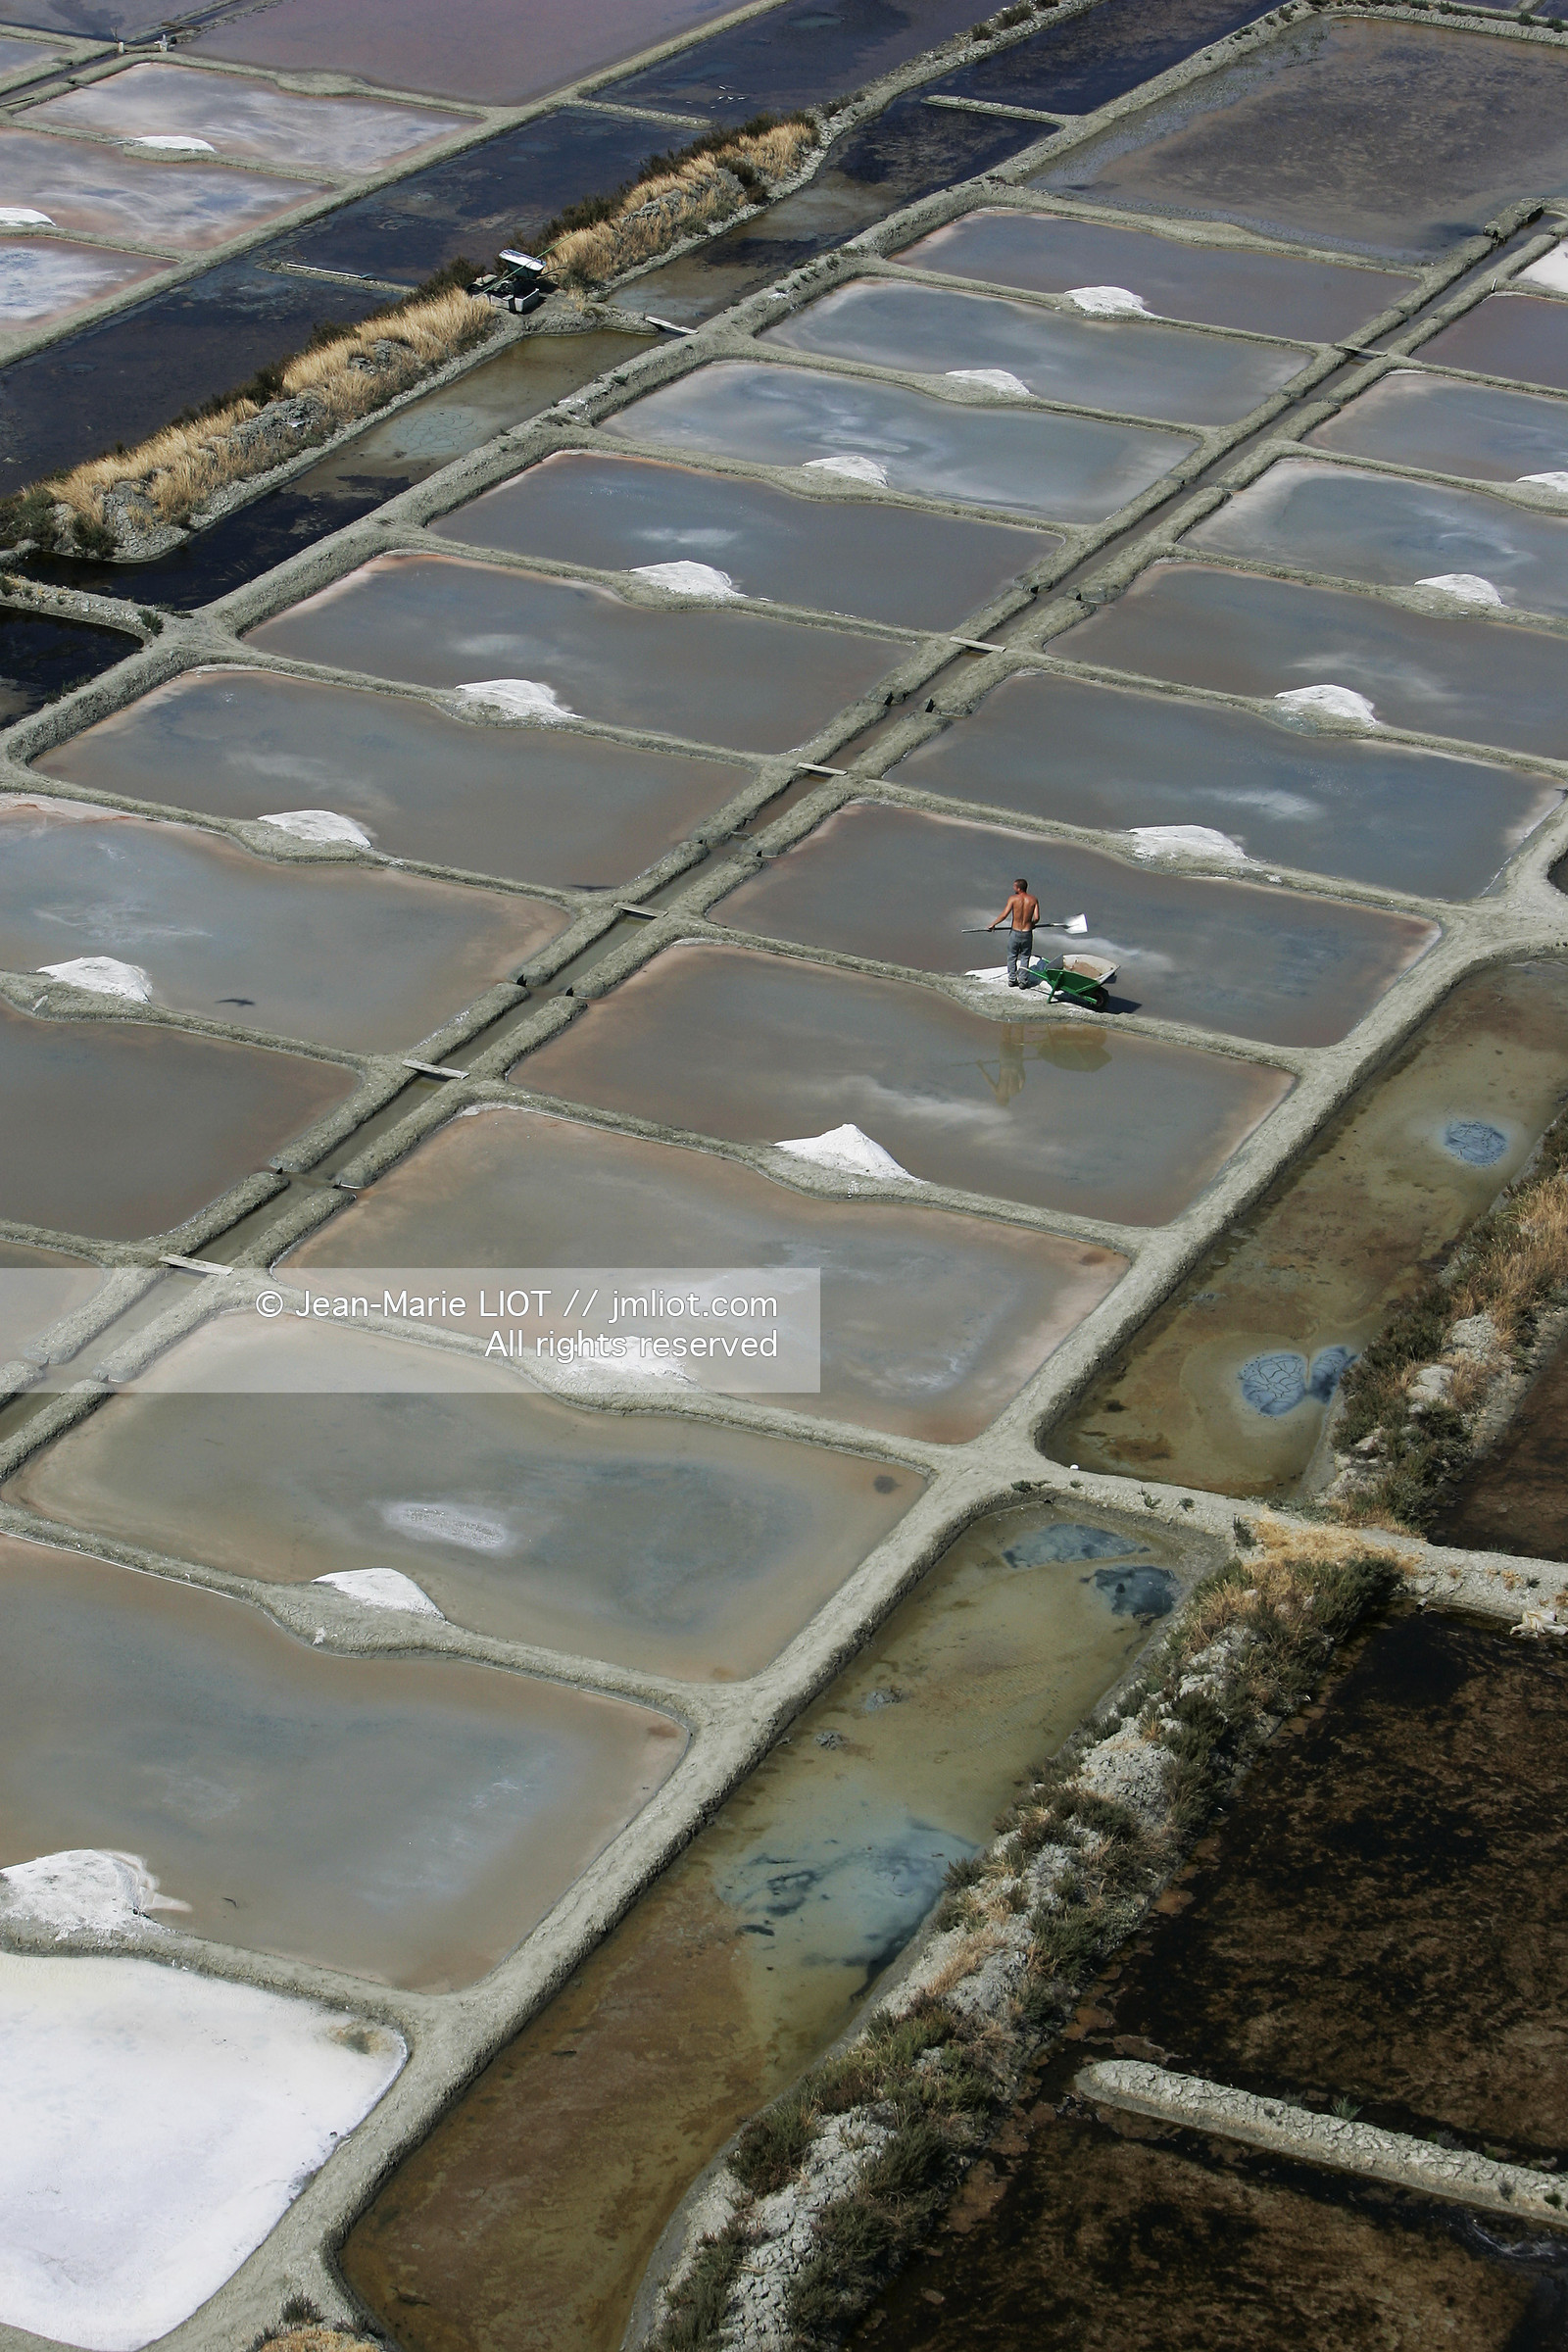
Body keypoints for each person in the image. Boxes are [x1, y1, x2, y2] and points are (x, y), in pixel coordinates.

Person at [987, 877, 1041, 988]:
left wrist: (993, 924)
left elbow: (1004, 915)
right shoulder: (1033, 899)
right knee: (1025, 957)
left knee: (1012, 956)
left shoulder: (1013, 899)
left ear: (1019, 888)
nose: (1013, 888)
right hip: (1027, 933)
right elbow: (1036, 917)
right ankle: (1023, 981)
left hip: (1015, 932)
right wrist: (1032, 924)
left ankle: (1012, 979)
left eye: (1014, 886)